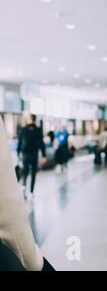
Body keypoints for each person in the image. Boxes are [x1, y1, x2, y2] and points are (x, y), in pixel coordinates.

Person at [0, 116, 54, 271]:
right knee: (28, 173)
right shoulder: (29, 130)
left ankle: (29, 189)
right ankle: (27, 188)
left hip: (27, 153)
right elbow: (6, 209)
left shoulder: (31, 130)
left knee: (29, 173)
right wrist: (33, 262)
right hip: (28, 153)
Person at [16, 114, 47, 200]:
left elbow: (20, 143)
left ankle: (24, 189)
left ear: (30, 119)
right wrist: (44, 155)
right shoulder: (37, 130)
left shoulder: (23, 129)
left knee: (25, 172)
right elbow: (41, 143)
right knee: (33, 173)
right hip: (34, 154)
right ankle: (31, 192)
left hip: (25, 154)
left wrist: (18, 153)